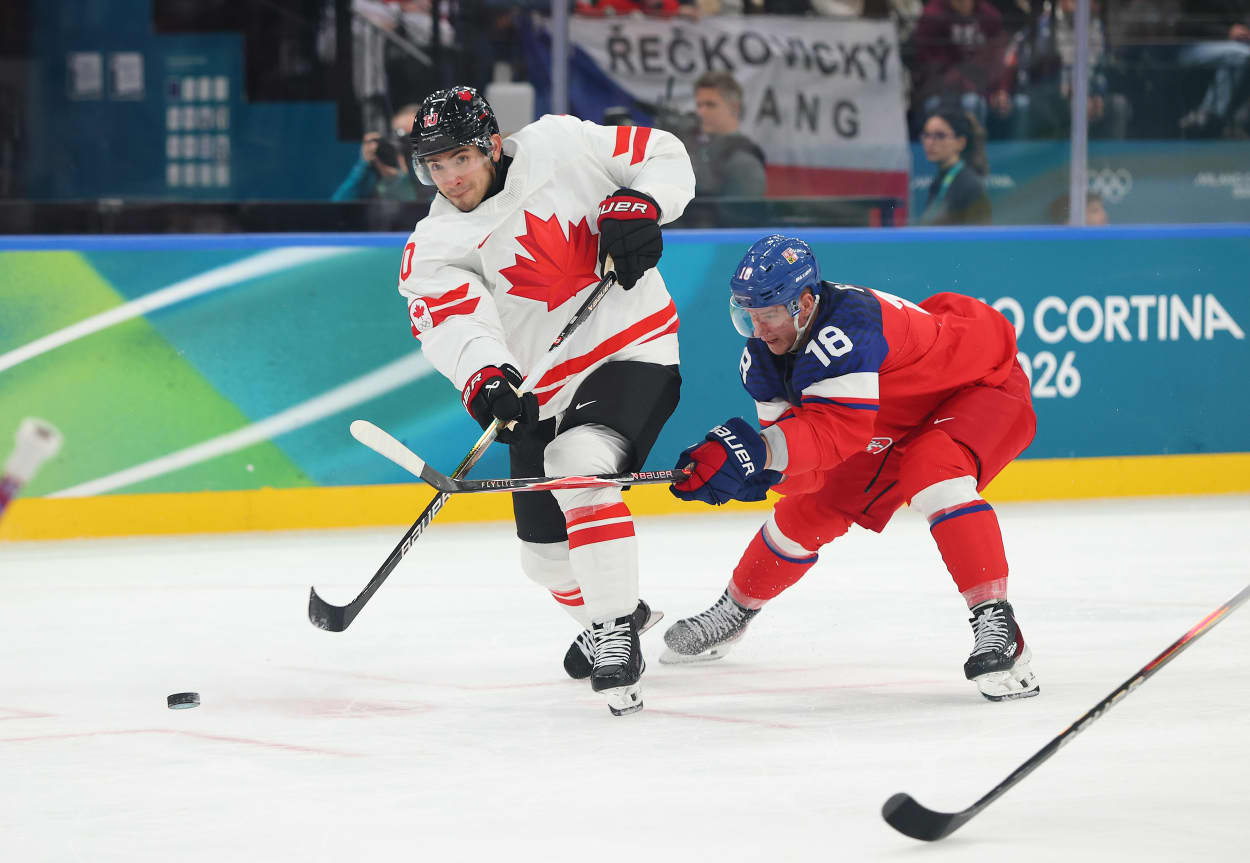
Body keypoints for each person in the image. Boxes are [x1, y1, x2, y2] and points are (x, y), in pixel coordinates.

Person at [397, 85, 694, 716]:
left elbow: (663, 154)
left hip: (631, 349)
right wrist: (486, 377)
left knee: (578, 466)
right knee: (544, 561)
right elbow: (454, 323)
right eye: (435, 166)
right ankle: (623, 610)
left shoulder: (562, 143)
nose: (449, 178)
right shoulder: (435, 246)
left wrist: (642, 203)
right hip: (544, 387)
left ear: (493, 146)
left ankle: (614, 636)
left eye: (461, 160)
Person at [663, 235, 1040, 702]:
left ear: (804, 303)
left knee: (933, 470)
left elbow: (835, 432)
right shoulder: (763, 357)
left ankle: (997, 623)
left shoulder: (853, 325)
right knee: (810, 508)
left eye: (769, 315)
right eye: (748, 317)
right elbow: (804, 468)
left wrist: (757, 451)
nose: (759, 331)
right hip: (887, 417)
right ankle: (734, 610)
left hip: (977, 388)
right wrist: (749, 472)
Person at [688, 71, 767, 199]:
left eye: (710, 105)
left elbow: (742, 214)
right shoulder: (696, 149)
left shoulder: (743, 161)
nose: (701, 112)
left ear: (734, 108)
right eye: (699, 105)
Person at [917, 108, 992, 225]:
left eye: (940, 136)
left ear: (960, 142)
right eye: (926, 135)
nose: (930, 142)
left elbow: (980, 239)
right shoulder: (938, 181)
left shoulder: (971, 186)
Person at [332, 104, 421, 201]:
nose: (401, 144)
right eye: (397, 135)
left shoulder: (432, 171)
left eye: (409, 137)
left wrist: (398, 179)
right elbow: (337, 207)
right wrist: (364, 164)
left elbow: (424, 210)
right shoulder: (375, 170)